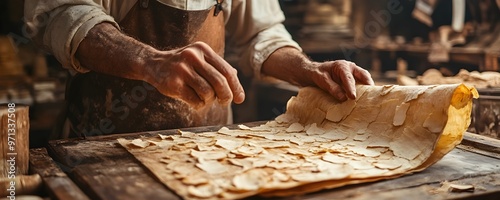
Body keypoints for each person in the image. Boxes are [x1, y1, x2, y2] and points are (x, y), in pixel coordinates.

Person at [24, 0, 374, 138]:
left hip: (210, 144)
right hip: (104, 141)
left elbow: (262, 33)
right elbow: (62, 15)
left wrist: (307, 69)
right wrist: (150, 62)